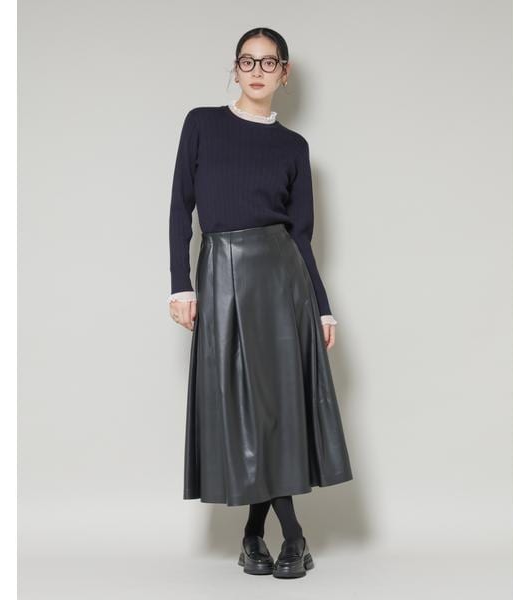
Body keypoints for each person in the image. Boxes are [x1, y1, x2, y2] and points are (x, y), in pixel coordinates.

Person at [168, 27, 353, 579]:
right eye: (247, 61)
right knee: (242, 409)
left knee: (273, 409)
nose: (256, 71)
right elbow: (180, 209)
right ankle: (284, 534)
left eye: (268, 63)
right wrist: (181, 284)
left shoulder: (294, 147)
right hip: (221, 274)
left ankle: (268, 536)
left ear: (283, 73)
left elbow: (302, 236)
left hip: (281, 281)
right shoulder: (201, 124)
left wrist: (322, 306)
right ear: (235, 68)